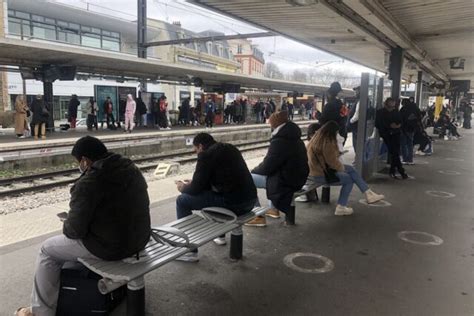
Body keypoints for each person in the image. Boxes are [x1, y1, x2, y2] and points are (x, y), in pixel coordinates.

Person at [14, 136, 150, 316]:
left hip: (112, 248)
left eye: (78, 161)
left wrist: (67, 222)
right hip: (139, 240)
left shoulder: (89, 182)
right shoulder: (129, 167)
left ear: (85, 160)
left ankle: (41, 312)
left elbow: (74, 231)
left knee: (47, 250)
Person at [174, 133, 257, 262]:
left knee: (182, 200)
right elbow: (220, 179)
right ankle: (221, 237)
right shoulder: (230, 148)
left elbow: (196, 189)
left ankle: (189, 251)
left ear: (200, 146)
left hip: (234, 205)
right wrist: (195, 182)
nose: (195, 152)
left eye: (195, 149)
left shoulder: (205, 156)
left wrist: (183, 187)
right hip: (250, 201)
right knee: (217, 195)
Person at [302, 121, 384, 215]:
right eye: (336, 132)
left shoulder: (317, 140)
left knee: (351, 169)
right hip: (321, 175)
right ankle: (342, 206)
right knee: (349, 179)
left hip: (316, 172)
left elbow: (328, 157)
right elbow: (333, 163)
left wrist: (337, 156)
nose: (337, 134)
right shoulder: (327, 142)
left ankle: (368, 193)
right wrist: (342, 169)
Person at [246, 111, 309, 226]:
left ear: (275, 124)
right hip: (299, 177)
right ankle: (273, 209)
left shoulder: (280, 141)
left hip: (287, 182)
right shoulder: (294, 137)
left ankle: (258, 216)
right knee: (273, 173)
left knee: (247, 179)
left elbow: (267, 166)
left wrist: (253, 171)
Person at [375, 97, 408, 179]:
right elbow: (378, 124)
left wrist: (397, 125)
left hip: (396, 134)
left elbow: (401, 121)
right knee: (394, 152)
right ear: (387, 103)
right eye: (391, 102)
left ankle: (393, 171)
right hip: (387, 134)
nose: (393, 104)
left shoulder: (396, 111)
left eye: (394, 103)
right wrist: (389, 126)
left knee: (395, 153)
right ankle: (400, 171)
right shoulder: (380, 112)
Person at [400, 98, 421, 164]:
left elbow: (400, 118)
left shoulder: (403, 109)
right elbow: (419, 118)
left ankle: (405, 159)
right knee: (410, 144)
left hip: (404, 128)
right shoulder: (416, 108)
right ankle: (410, 159)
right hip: (412, 129)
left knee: (403, 144)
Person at [347, 86, 360, 154]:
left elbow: (357, 115)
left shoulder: (361, 101)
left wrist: (350, 121)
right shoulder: (360, 100)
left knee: (356, 143)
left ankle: (358, 159)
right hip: (356, 126)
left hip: (356, 126)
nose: (355, 93)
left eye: (356, 91)